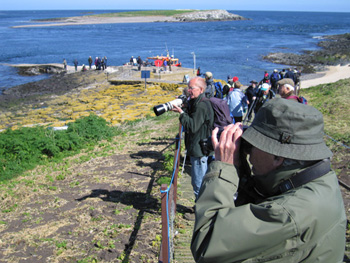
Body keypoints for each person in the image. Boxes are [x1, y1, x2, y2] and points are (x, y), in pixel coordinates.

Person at [191, 98, 346, 263]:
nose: (249, 153)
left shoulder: (287, 213)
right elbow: (260, 205)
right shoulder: (318, 179)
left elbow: (207, 244)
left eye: (254, 145)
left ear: (277, 157)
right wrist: (240, 168)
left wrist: (222, 169)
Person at [171, 77, 214, 201]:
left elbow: (193, 126)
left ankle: (200, 210)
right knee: (200, 179)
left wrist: (181, 113)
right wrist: (183, 108)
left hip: (199, 149)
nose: (188, 90)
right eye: (188, 87)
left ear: (200, 89)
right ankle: (203, 207)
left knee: (198, 182)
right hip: (198, 146)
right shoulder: (198, 102)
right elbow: (193, 119)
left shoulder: (201, 106)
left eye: (191, 88)